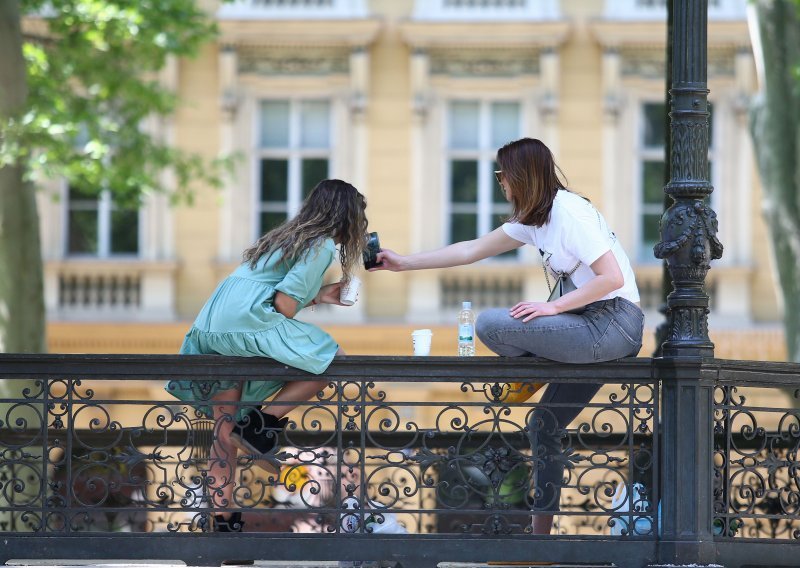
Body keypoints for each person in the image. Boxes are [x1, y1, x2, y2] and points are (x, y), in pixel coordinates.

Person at [372, 137, 644, 534]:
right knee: (544, 426)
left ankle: (533, 370)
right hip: (592, 331)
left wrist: (553, 308)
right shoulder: (536, 221)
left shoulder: (569, 212)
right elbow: (471, 250)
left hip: (613, 324)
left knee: (491, 324)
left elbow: (612, 278)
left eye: (502, 174)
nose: (500, 182)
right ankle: (539, 539)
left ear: (521, 175)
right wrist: (403, 263)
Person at [166, 179, 369, 533]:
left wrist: (320, 296)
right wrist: (313, 298)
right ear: (348, 217)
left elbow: (270, 293)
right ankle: (260, 426)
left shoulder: (285, 237)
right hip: (248, 322)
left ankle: (223, 526)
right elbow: (283, 305)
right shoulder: (320, 246)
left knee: (221, 433)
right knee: (333, 359)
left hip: (214, 323)